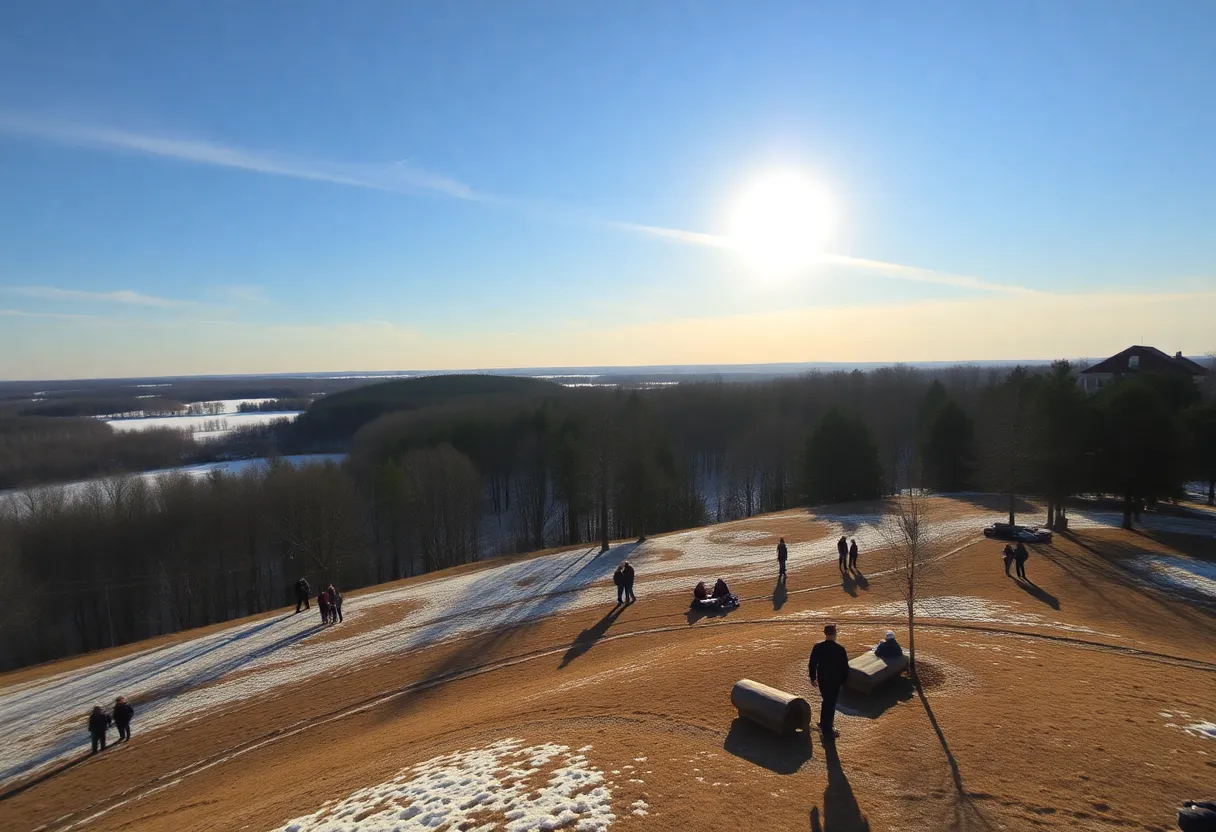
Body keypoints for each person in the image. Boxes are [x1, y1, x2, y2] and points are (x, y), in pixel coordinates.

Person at [808, 623, 850, 740]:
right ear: (835, 634)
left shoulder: (818, 647)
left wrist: (813, 678)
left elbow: (812, 664)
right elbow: (844, 667)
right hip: (835, 680)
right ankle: (828, 729)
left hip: (823, 679)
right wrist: (844, 681)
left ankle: (823, 723)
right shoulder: (840, 649)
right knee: (831, 703)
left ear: (825, 634)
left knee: (826, 700)